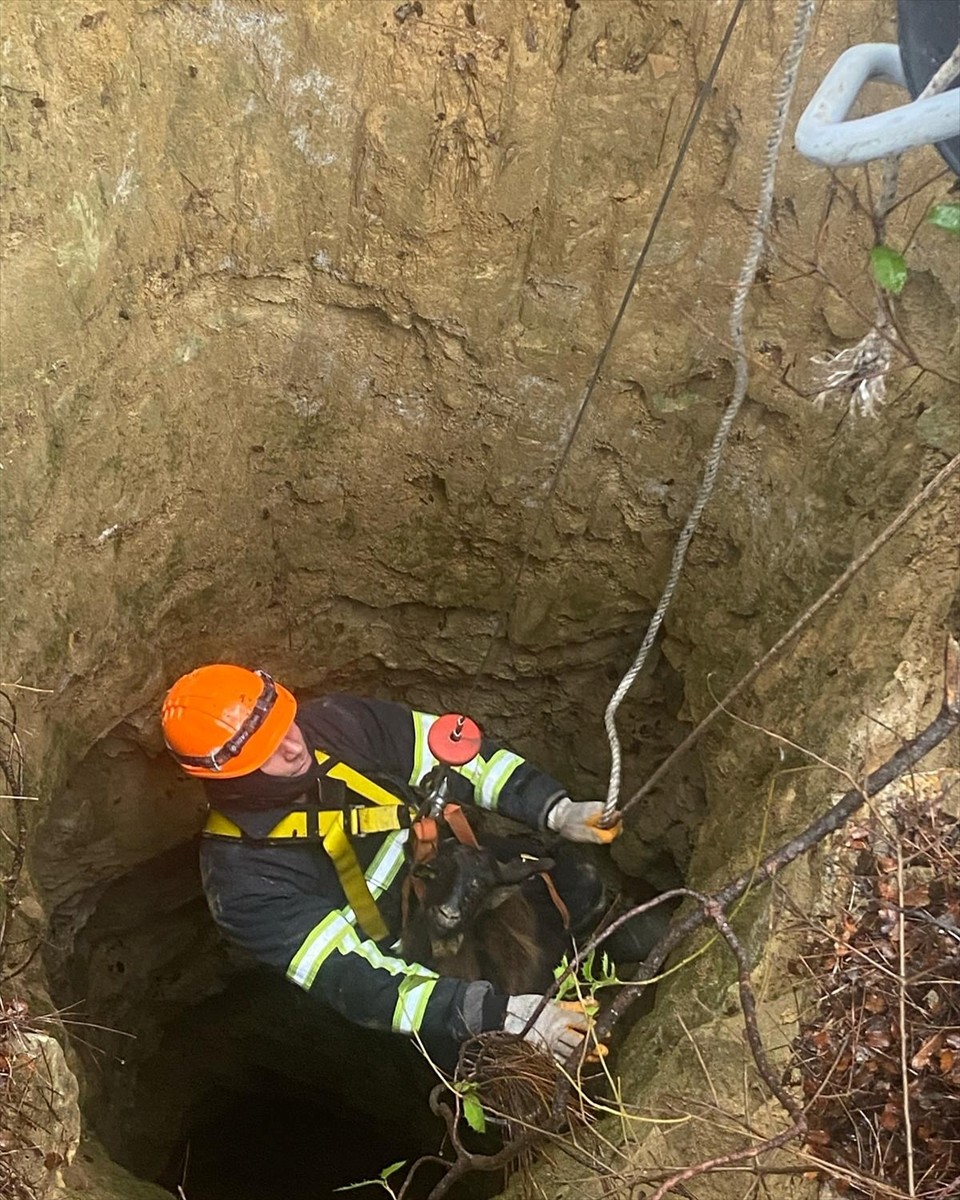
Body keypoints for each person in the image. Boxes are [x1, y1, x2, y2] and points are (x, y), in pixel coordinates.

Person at [161, 663, 622, 1067]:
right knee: (497, 1069)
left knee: (578, 885)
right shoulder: (244, 883)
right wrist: (501, 1015)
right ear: (228, 778)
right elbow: (357, 981)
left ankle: (620, 941)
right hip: (416, 967)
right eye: (266, 752)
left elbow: (452, 754)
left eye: (285, 725)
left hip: (468, 872)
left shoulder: (335, 724)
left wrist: (553, 808)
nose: (294, 746)